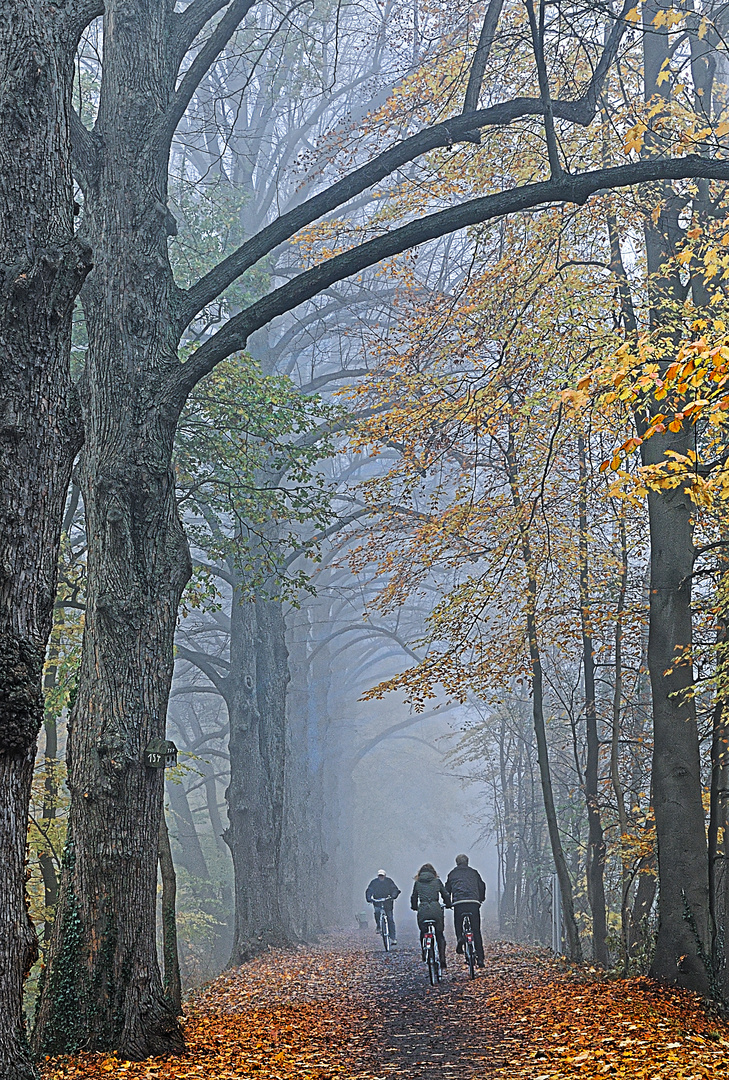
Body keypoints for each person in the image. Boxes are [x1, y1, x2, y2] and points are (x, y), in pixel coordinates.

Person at [444, 853, 486, 968]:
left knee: (458, 923)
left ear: (457, 862)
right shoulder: (474, 873)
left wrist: (448, 903)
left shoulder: (452, 874)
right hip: (473, 902)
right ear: (467, 862)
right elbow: (482, 885)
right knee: (476, 931)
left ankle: (460, 938)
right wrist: (481, 898)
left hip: (459, 903)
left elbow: (446, 890)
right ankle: (481, 958)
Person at [410, 863, 450, 972]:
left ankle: (424, 951)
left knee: (423, 931)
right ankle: (442, 958)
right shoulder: (437, 882)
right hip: (436, 909)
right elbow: (445, 894)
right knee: (439, 934)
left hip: (423, 910)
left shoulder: (417, 883)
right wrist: (449, 904)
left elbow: (414, 897)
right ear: (433, 872)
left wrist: (414, 907)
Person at [365, 869, 401, 944]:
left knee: (390, 919)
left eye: (382, 876)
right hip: (377, 901)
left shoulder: (389, 881)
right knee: (377, 912)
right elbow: (369, 890)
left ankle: (393, 937)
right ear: (378, 876)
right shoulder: (374, 882)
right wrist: (369, 898)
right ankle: (378, 926)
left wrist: (393, 896)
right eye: (379, 876)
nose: (381, 877)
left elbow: (394, 889)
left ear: (385, 876)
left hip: (387, 902)